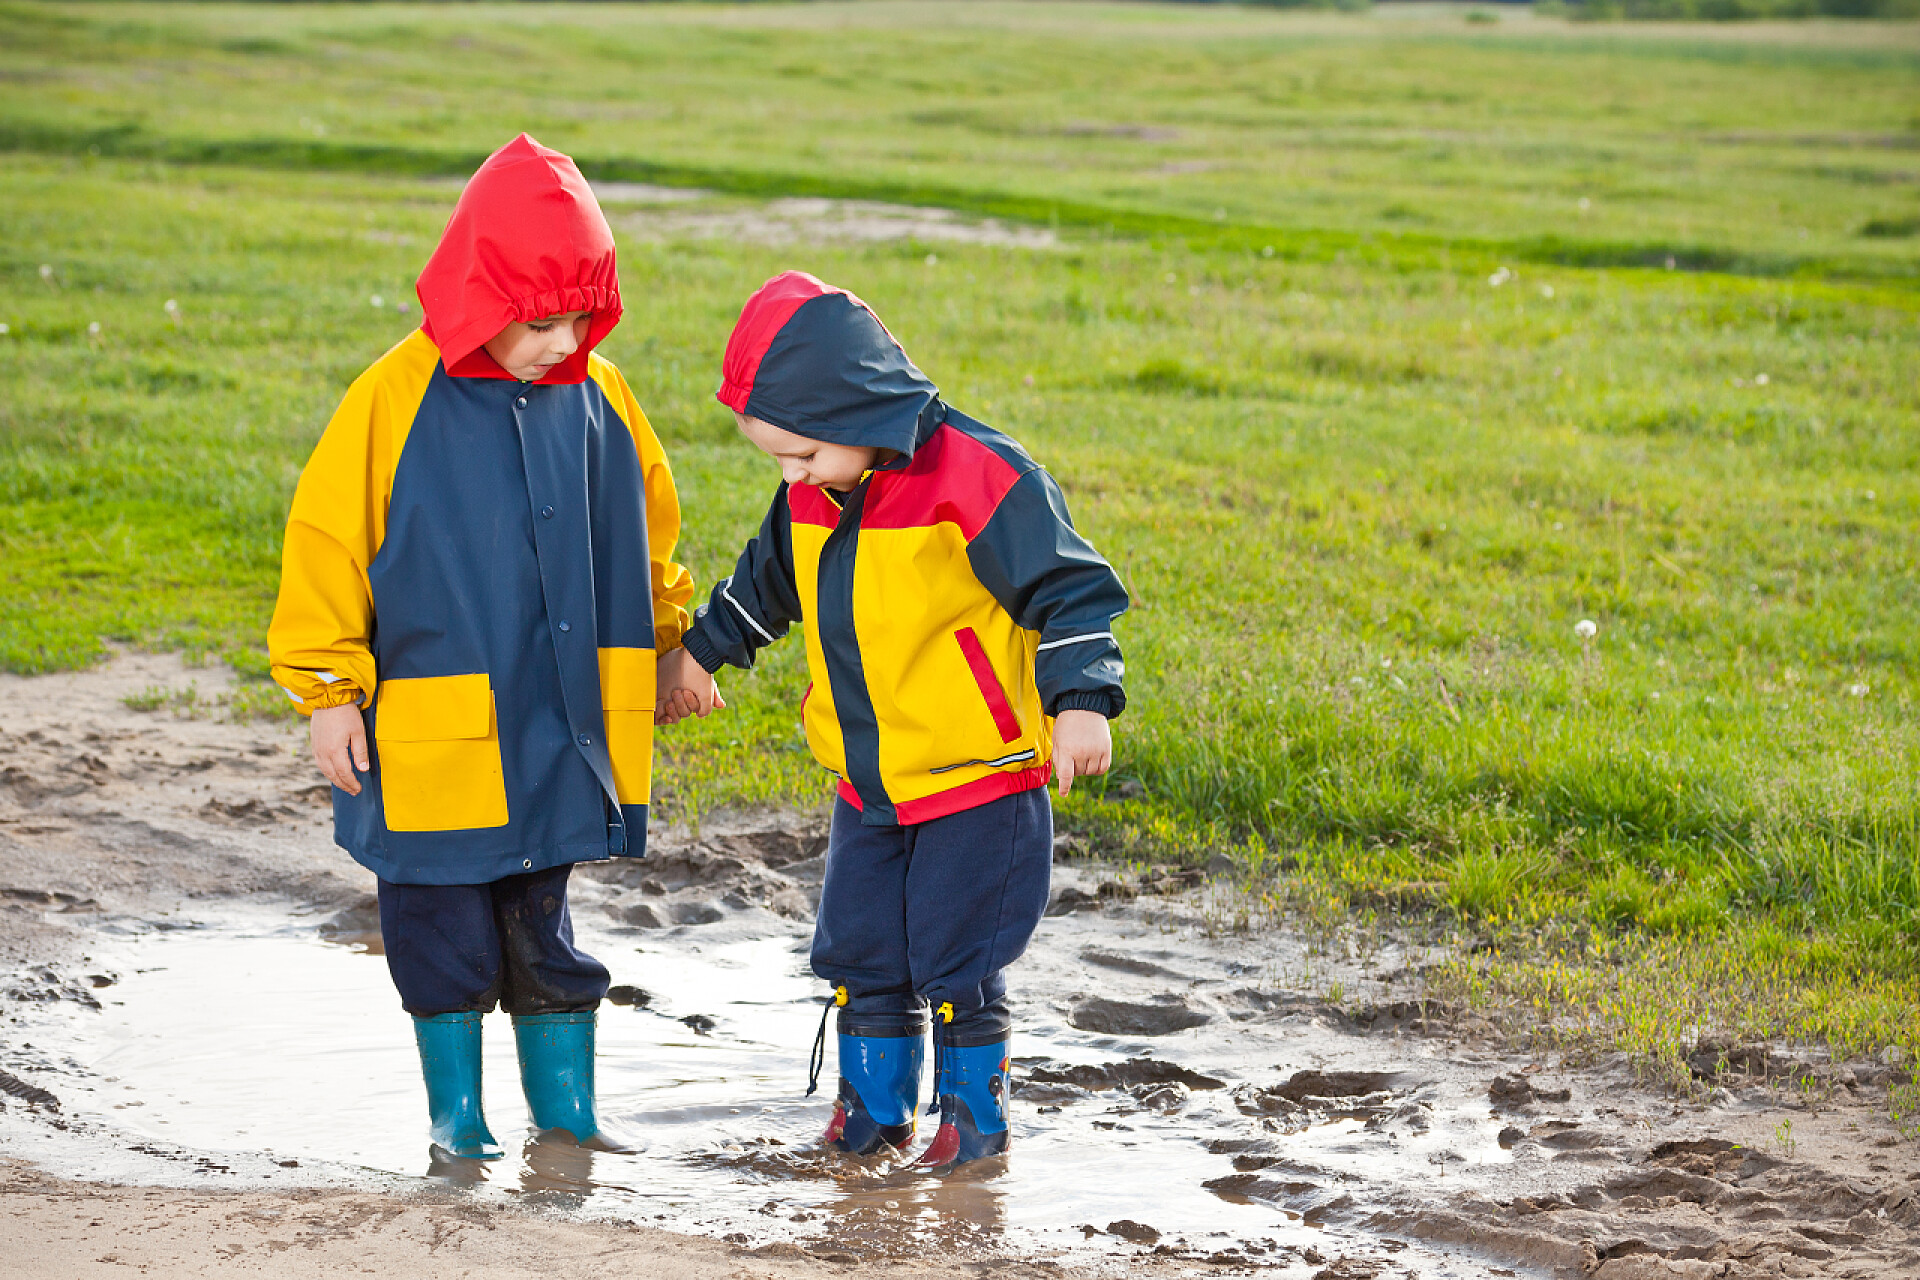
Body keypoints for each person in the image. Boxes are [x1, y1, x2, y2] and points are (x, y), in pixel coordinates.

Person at [268, 134, 705, 1160]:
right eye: (540, 320)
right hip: (425, 736)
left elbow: (648, 533)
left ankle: (568, 1120)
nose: (563, 340)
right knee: (440, 932)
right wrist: (330, 689)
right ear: (478, 295)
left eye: (581, 317)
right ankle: (457, 1123)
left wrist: (668, 641)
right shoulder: (392, 398)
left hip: (555, 730)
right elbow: (326, 544)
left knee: (543, 933)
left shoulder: (603, 399)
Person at [659, 270, 1128, 1170]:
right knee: (862, 949)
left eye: (800, 456)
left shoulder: (982, 475)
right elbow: (764, 585)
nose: (791, 477)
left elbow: (1070, 590)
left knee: (960, 958)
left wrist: (1079, 704)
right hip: (870, 783)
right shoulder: (818, 486)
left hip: (976, 781)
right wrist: (697, 657)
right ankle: (873, 1112)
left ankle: (971, 1126)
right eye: (779, 461)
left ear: (855, 412)